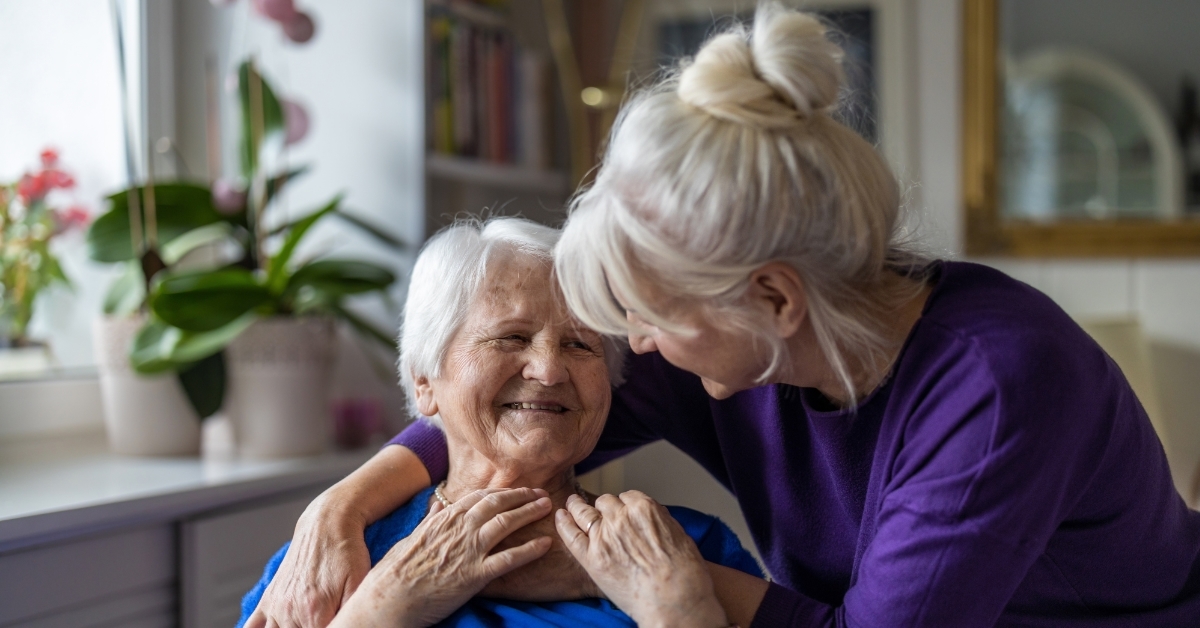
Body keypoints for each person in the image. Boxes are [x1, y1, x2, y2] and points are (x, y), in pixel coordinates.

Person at [250, 5, 1200, 627]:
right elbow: (516, 412)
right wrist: (342, 510)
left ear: (775, 298)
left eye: (642, 318)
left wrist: (646, 589)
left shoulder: (999, 385)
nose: (635, 348)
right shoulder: (728, 344)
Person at [240, 217, 761, 628]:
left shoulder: (685, 548)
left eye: (580, 344)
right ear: (425, 382)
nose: (550, 369)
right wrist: (382, 609)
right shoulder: (332, 561)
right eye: (510, 338)